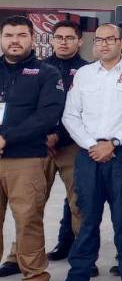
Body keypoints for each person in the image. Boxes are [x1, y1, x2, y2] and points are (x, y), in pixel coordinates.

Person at [50, 23, 122, 281]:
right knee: (86, 220)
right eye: (99, 40)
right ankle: (77, 280)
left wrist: (114, 142)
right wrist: (91, 145)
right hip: (89, 154)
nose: (104, 44)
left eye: (111, 39)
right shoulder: (84, 75)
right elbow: (71, 115)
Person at [0, 15, 65, 281]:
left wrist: (6, 138)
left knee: (27, 220)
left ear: (32, 39)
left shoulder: (46, 73)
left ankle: (35, 280)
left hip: (25, 160)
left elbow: (48, 115)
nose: (15, 40)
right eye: (9, 35)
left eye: (21, 35)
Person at [40, 21, 89, 267]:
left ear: (79, 41)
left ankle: (83, 258)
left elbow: (86, 112)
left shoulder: (89, 71)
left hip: (72, 145)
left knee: (78, 204)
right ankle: (19, 256)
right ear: (52, 40)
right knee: (30, 205)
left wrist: (59, 135)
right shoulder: (38, 68)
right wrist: (44, 136)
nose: (63, 42)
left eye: (70, 38)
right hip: (38, 146)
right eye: (58, 37)